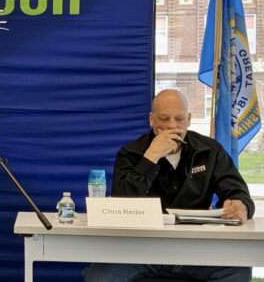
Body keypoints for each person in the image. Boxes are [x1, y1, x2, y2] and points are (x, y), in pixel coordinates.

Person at [84, 89, 254, 282]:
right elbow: (121, 202)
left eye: (179, 119)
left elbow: (239, 193)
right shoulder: (130, 153)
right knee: (99, 276)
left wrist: (241, 205)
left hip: (196, 249)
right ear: (152, 120)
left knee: (239, 271)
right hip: (139, 249)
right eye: (164, 119)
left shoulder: (209, 151)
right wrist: (151, 157)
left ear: (189, 119)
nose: (172, 126)